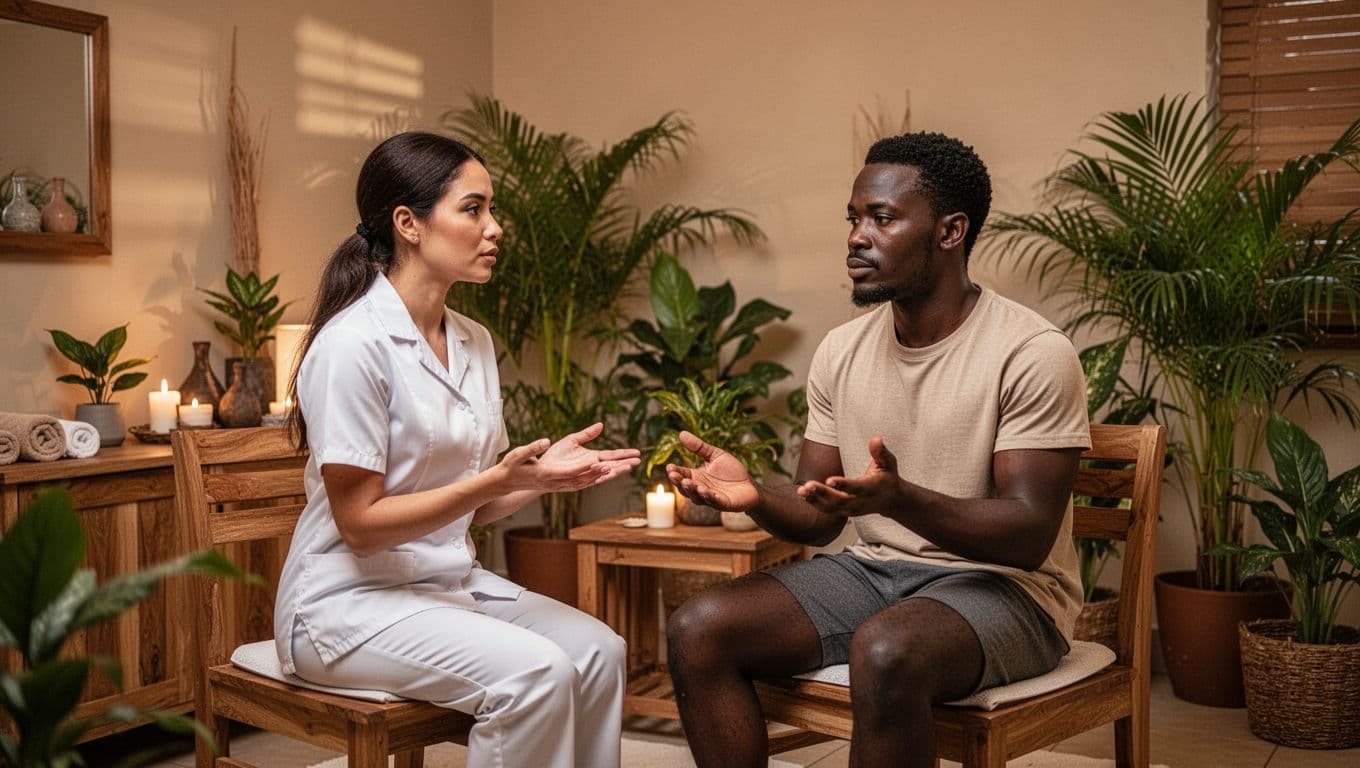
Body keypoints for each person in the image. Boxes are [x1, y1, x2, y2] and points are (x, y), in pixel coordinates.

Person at [664, 132, 1091, 768]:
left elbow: (1028, 535)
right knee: (697, 628)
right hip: (873, 572)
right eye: (854, 218)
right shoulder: (842, 350)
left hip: (1011, 592)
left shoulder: (1031, 352)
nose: (856, 236)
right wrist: (752, 495)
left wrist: (900, 498)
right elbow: (817, 515)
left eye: (882, 218)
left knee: (886, 649)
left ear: (950, 232)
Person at [274, 131, 638, 768]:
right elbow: (360, 527)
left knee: (599, 652)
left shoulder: (474, 341)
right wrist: (497, 482)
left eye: (490, 209)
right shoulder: (352, 345)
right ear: (408, 224)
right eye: (474, 209)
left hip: (441, 586)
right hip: (342, 605)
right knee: (535, 674)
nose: (495, 228)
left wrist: (543, 481)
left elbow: (477, 504)